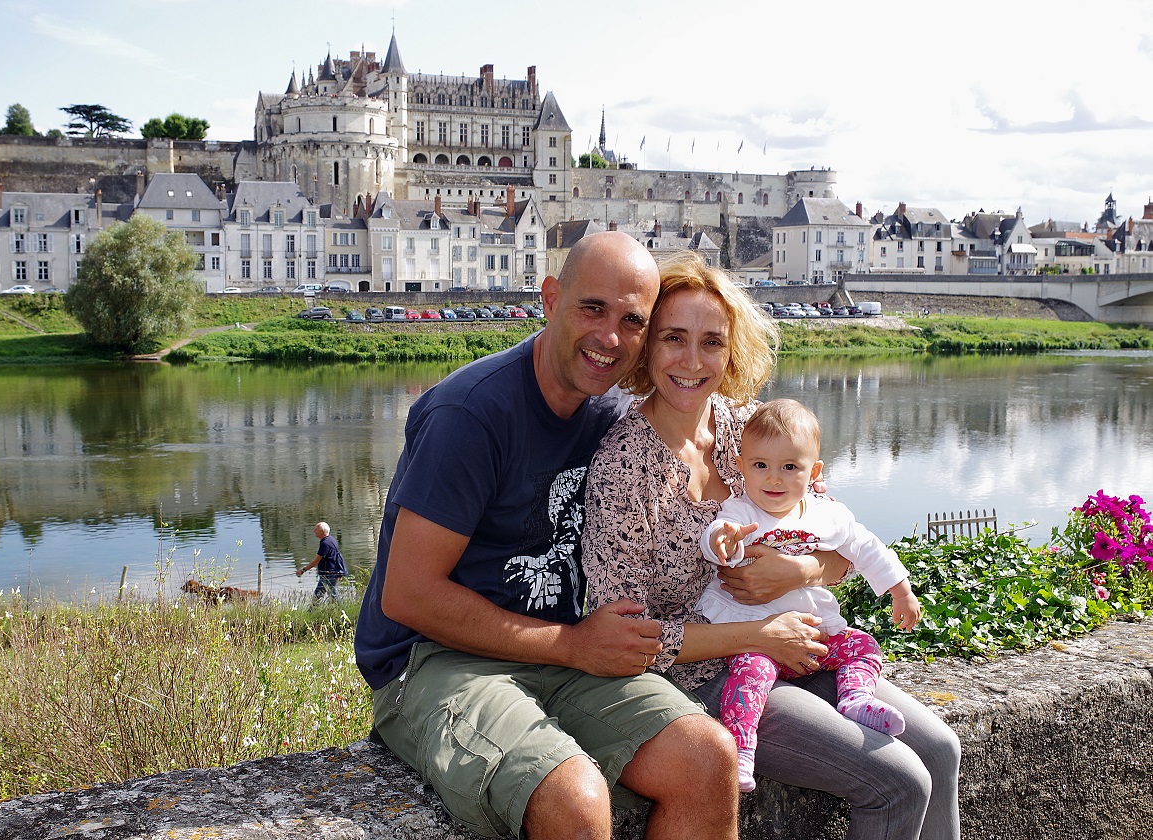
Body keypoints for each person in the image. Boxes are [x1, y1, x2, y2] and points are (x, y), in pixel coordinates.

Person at [354, 232, 740, 840]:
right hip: (434, 660)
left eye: (633, 321)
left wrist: (794, 532)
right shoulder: (469, 415)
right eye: (593, 309)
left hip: (558, 652)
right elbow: (407, 595)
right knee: (575, 802)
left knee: (708, 758)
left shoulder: (610, 412)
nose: (610, 337)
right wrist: (573, 646)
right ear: (550, 299)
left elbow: (719, 435)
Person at [582, 251, 961, 840]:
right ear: (647, 346)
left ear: (732, 351)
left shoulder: (749, 426)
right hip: (703, 677)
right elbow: (624, 637)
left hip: (795, 646)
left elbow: (837, 540)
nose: (692, 360)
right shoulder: (622, 466)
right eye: (674, 338)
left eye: (712, 342)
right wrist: (757, 635)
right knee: (898, 781)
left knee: (940, 748)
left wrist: (801, 570)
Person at [697, 398, 922, 792]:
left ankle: (856, 697)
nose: (774, 479)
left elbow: (867, 548)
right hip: (756, 636)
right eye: (760, 465)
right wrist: (723, 542)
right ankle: (741, 746)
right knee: (750, 676)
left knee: (863, 646)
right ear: (741, 466)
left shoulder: (826, 514)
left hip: (815, 635)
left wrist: (900, 590)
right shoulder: (741, 511)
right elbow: (718, 535)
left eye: (790, 467)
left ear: (814, 471)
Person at [296, 521, 347, 598]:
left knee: (329, 595)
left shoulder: (325, 543)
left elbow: (316, 561)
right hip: (332, 572)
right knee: (322, 595)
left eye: (316, 529)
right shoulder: (331, 539)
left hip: (328, 574)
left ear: (322, 531)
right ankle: (315, 606)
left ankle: (316, 605)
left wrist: (303, 570)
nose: (314, 531)